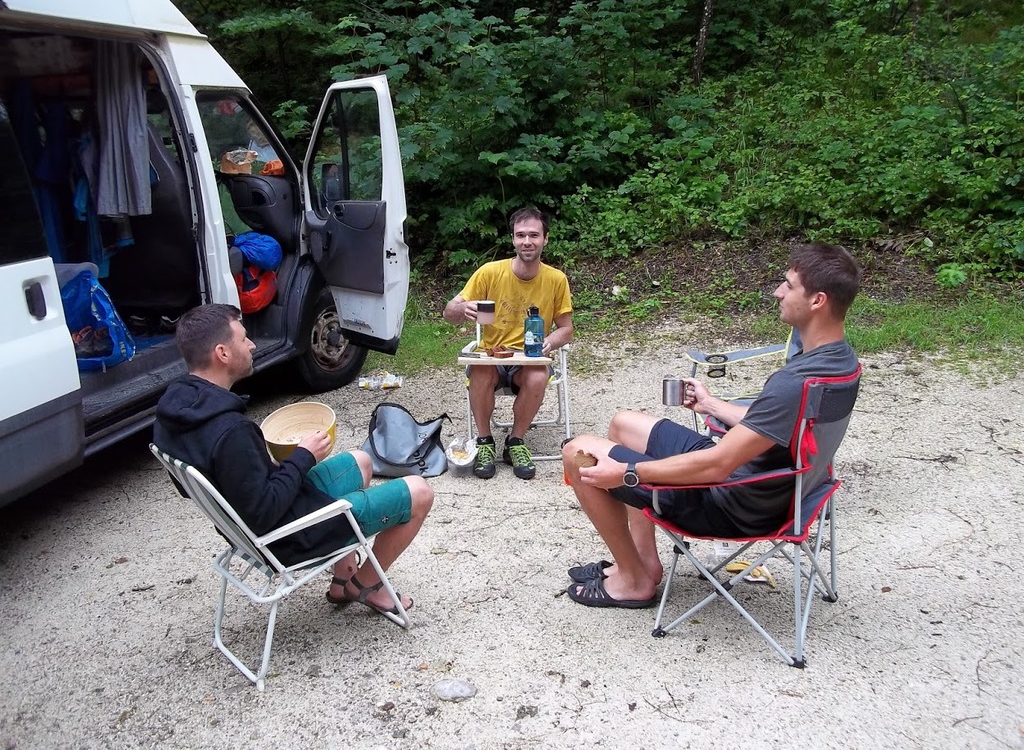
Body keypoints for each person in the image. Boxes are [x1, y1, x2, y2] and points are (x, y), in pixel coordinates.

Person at [561, 243, 861, 609]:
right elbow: (785, 425)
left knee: (577, 454)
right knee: (624, 424)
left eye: (788, 285)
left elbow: (717, 466)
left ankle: (634, 582)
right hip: (773, 487)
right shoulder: (839, 362)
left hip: (731, 502)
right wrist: (711, 404)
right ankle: (643, 563)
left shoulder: (794, 382)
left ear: (817, 301)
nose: (778, 292)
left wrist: (627, 473)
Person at [153, 303, 433, 617]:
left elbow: (199, 485)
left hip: (251, 525)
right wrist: (303, 456)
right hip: (286, 537)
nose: (252, 345)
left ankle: (343, 578)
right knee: (420, 492)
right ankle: (365, 584)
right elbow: (265, 512)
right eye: (243, 339)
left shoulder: (173, 411)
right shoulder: (231, 432)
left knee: (361, 461)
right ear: (222, 353)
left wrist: (261, 466)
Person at [443, 207, 574, 480]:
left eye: (534, 235)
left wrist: (550, 341)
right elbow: (448, 313)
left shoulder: (556, 279)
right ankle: (484, 441)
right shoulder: (490, 272)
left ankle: (515, 441)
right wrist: (462, 308)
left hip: (529, 357)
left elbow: (566, 329)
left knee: (538, 375)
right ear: (513, 239)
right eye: (521, 235)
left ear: (545, 239)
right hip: (493, 356)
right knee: (480, 371)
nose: (527, 241)